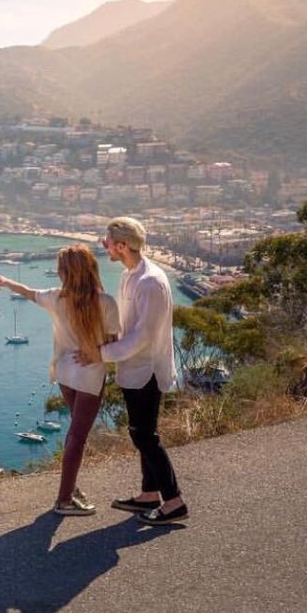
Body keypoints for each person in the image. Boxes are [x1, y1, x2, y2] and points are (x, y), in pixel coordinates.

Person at [0, 244, 120, 516]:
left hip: (64, 372)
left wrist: (5, 282)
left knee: (74, 434)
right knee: (78, 436)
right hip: (89, 375)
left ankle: (70, 488)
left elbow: (28, 292)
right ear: (90, 269)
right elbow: (112, 344)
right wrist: (95, 353)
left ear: (64, 272)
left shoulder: (55, 298)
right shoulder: (106, 302)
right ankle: (64, 499)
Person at [78, 217, 188, 525]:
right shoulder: (131, 276)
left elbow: (142, 338)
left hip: (147, 370)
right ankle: (149, 494)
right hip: (133, 368)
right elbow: (129, 327)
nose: (104, 247)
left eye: (107, 242)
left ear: (122, 245)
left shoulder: (150, 282)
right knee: (141, 433)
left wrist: (99, 354)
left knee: (145, 436)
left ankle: (174, 501)